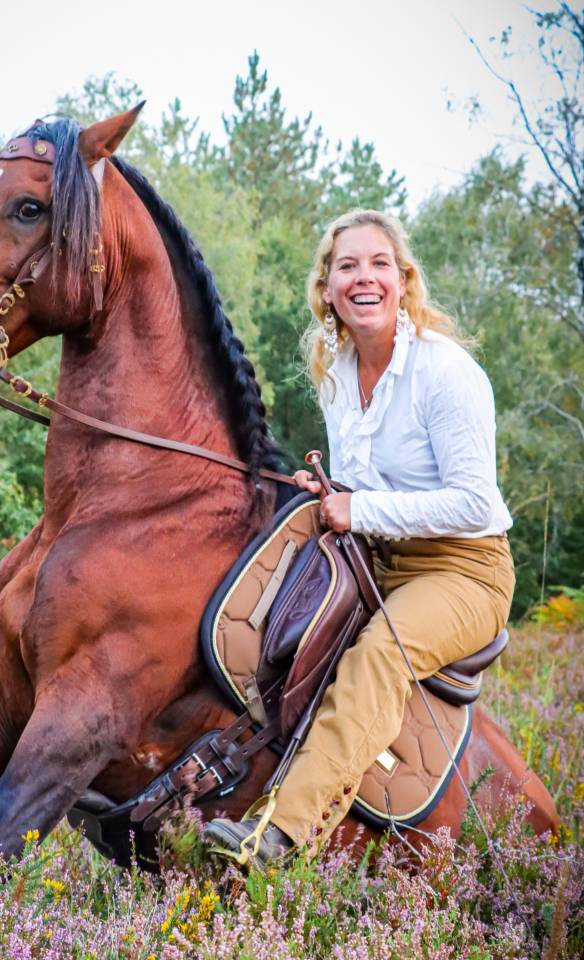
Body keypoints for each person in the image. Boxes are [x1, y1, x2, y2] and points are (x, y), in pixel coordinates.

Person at [204, 208, 515, 861]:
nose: (363, 278)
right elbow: (359, 483)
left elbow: (472, 502)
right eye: (347, 266)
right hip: (376, 553)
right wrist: (332, 493)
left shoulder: (445, 371)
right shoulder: (336, 371)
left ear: (403, 280)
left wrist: (361, 510)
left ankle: (280, 834)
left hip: (463, 569)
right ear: (326, 288)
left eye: (379, 264)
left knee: (378, 653)